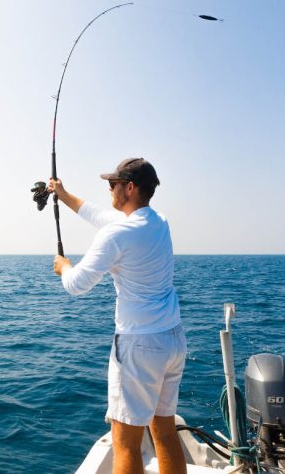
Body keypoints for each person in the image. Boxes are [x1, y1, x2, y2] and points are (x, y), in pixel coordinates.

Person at [49, 158, 186, 474]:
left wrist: (63, 267)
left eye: (113, 184)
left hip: (139, 346)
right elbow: (98, 214)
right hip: (173, 340)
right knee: (164, 431)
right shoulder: (158, 222)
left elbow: (77, 284)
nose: (109, 188)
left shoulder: (117, 236)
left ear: (130, 187)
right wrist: (62, 193)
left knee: (125, 443)